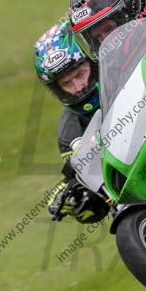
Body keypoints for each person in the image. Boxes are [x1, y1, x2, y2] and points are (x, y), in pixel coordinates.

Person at [33, 19, 110, 224]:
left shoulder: (126, 73)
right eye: (67, 83)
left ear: (93, 63)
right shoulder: (69, 135)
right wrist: (78, 199)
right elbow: (100, 207)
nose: (78, 88)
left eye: (80, 74)